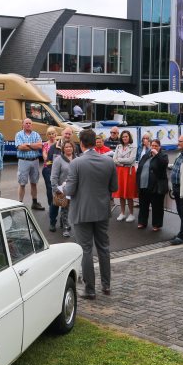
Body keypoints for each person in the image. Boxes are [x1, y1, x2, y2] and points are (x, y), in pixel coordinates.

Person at [64, 129, 118, 300]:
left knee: (86, 250)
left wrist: (63, 188)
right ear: (95, 142)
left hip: (82, 211)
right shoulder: (109, 162)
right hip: (102, 210)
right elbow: (114, 188)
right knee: (103, 248)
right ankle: (106, 285)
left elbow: (70, 190)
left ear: (81, 143)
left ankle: (90, 289)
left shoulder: (77, 163)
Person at [136, 139, 169, 231]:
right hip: (144, 185)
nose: (153, 148)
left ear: (159, 147)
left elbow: (163, 165)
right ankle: (142, 222)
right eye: (152, 146)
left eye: (156, 146)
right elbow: (140, 168)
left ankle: (156, 224)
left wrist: (157, 155)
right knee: (143, 205)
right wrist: (138, 182)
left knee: (157, 206)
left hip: (156, 186)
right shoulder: (146, 155)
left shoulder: (163, 156)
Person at [15, 118, 45, 210]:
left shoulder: (36, 134)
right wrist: (33, 145)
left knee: (34, 183)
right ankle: (20, 203)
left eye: (30, 123)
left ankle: (34, 203)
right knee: (22, 183)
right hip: (23, 161)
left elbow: (40, 146)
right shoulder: (18, 134)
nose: (28, 125)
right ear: (23, 125)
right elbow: (20, 147)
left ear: (32, 125)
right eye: (26, 123)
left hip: (35, 161)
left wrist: (27, 145)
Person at [51, 141, 76, 238]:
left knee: (70, 208)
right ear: (63, 149)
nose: (69, 148)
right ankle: (65, 227)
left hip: (73, 188)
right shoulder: (58, 160)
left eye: (70, 146)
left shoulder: (77, 159)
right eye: (66, 147)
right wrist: (55, 188)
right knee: (64, 208)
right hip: (62, 189)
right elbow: (54, 176)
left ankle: (64, 223)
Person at [113, 130, 137, 222]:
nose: (124, 138)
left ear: (129, 137)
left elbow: (131, 160)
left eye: (126, 136)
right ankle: (122, 213)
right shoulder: (118, 146)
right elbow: (114, 159)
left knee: (129, 194)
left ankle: (131, 214)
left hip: (129, 172)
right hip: (120, 171)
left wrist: (120, 160)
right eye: (123, 137)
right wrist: (122, 161)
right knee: (121, 193)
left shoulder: (133, 147)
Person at [42, 126, 58, 212]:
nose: (51, 135)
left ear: (56, 134)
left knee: (58, 188)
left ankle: (59, 204)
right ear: (47, 135)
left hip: (58, 169)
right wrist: (51, 160)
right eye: (49, 134)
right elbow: (45, 157)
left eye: (53, 133)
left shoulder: (59, 144)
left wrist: (51, 159)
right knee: (49, 188)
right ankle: (51, 205)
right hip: (47, 169)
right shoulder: (45, 144)